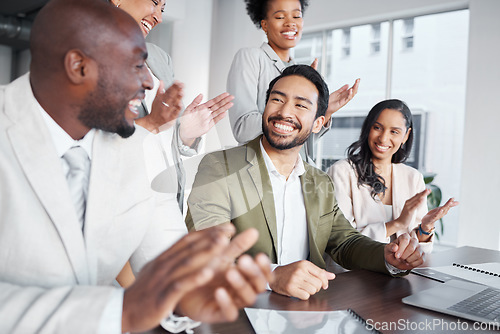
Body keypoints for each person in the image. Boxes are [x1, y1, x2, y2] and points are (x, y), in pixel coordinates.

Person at [0, 0, 272, 333]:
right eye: (136, 65)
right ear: (78, 66)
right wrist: (122, 310)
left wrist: (191, 292)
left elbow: (169, 265)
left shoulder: (139, 149)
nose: (148, 83)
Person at [186, 65, 425, 301]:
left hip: (306, 313)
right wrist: (270, 277)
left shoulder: (319, 181)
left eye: (300, 105)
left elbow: (345, 242)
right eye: (277, 100)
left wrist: (387, 255)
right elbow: (204, 253)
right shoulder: (220, 166)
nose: (285, 112)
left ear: (318, 123)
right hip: (238, 310)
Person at [110, 0, 235, 212]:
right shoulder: (91, 53)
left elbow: (165, 134)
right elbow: (98, 144)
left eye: (163, 9)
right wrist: (151, 123)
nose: (158, 16)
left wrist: (185, 132)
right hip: (126, 199)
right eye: (155, 2)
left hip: (166, 199)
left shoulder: (159, 58)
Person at [227, 0, 360, 163]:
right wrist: (291, 116)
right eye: (280, 17)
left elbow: (300, 144)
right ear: (265, 24)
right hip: (262, 169)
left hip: (298, 174)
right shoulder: (251, 57)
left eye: (296, 16)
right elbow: (243, 128)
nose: (290, 23)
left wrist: (322, 112)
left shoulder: (299, 69)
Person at [327, 99, 458, 253]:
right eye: (377, 128)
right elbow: (341, 241)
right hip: (353, 273)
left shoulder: (413, 177)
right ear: (368, 128)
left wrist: (425, 227)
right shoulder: (342, 172)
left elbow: (421, 250)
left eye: (394, 132)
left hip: (399, 272)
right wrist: (398, 224)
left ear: (406, 136)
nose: (383, 138)